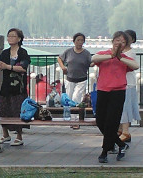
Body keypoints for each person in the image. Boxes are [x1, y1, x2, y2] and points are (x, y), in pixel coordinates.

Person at [91, 31, 139, 163]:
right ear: (113, 41)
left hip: (118, 92)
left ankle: (105, 151)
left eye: (123, 42)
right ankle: (121, 144)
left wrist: (119, 57)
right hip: (102, 90)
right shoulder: (104, 54)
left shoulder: (125, 58)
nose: (120, 43)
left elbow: (136, 66)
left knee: (112, 122)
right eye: (118, 40)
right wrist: (111, 56)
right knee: (101, 121)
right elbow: (94, 59)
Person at [0, 28, 30, 146]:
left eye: (13, 36)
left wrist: (8, 67)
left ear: (19, 39)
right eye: (9, 36)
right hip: (6, 87)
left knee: (17, 111)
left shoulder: (23, 52)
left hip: (19, 87)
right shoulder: (5, 52)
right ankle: (5, 134)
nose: (10, 38)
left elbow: (23, 68)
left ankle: (19, 136)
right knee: (3, 110)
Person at [118, 30, 141, 142]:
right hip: (119, 81)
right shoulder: (120, 50)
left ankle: (126, 131)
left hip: (128, 82)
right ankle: (121, 129)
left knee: (125, 107)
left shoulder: (130, 52)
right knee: (120, 106)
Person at [57, 33, 92, 104]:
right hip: (70, 79)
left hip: (82, 80)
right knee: (68, 99)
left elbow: (90, 63)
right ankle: (69, 114)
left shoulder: (86, 53)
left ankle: (76, 114)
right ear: (74, 41)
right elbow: (59, 58)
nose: (80, 42)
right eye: (78, 40)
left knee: (76, 97)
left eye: (82, 40)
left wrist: (96, 62)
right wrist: (63, 67)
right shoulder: (68, 52)